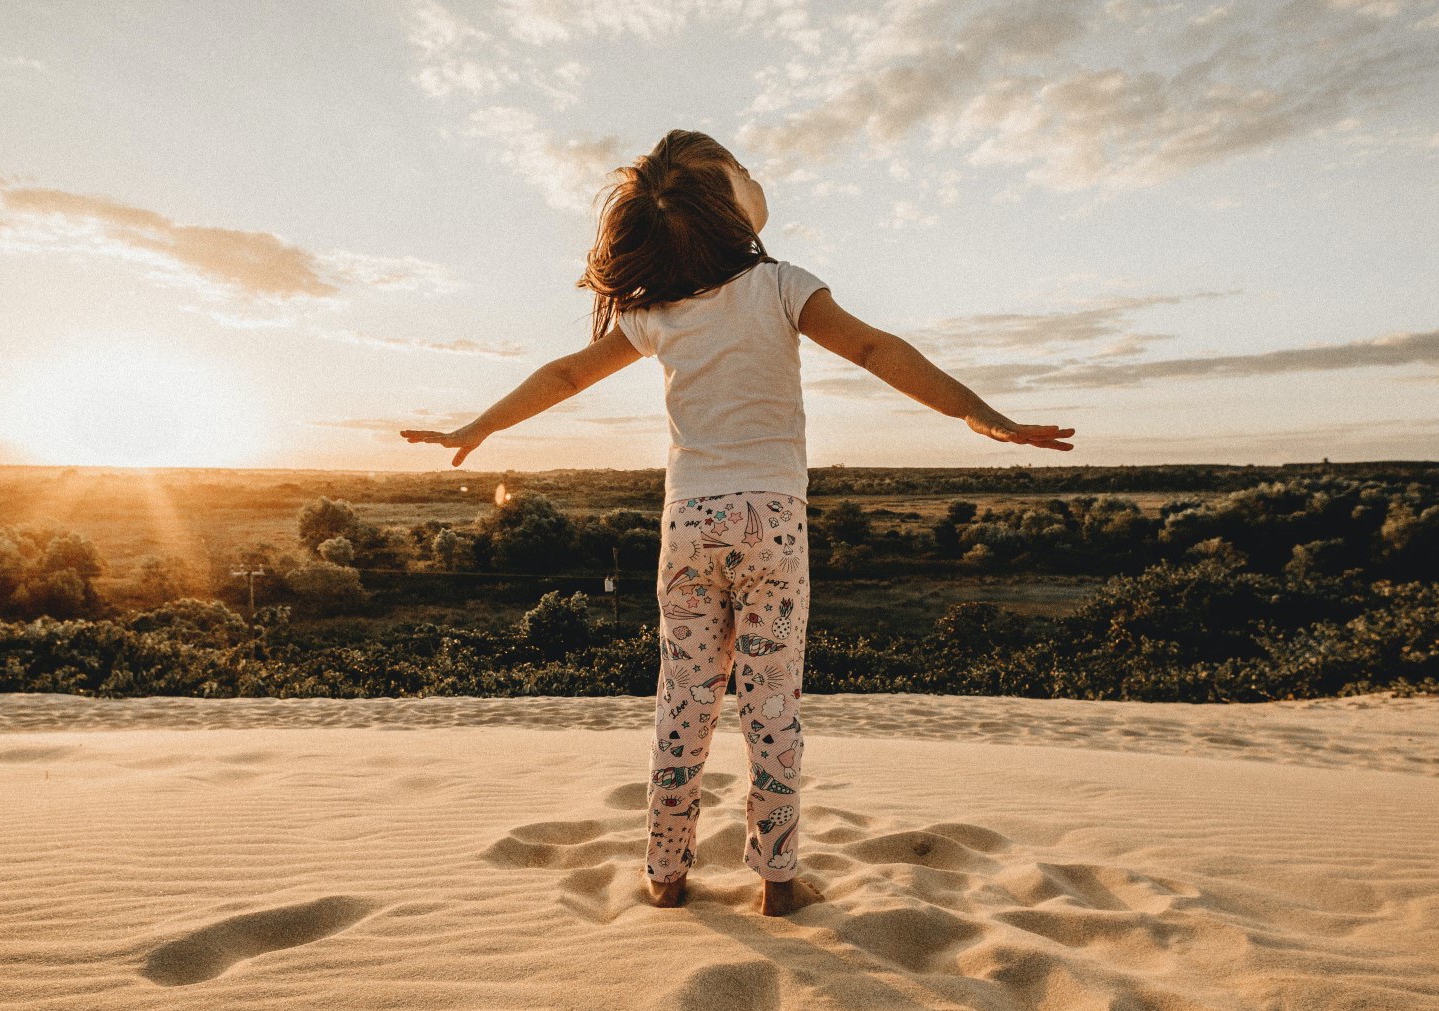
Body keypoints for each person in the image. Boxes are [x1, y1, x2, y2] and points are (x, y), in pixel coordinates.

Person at [401, 129, 1075, 917]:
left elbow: (565, 373)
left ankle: (665, 873)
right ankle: (779, 882)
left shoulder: (656, 312)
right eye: (744, 171)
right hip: (772, 522)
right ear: (728, 205)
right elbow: (873, 347)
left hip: (689, 521)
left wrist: (479, 427)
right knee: (772, 704)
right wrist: (979, 414)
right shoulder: (782, 286)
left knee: (683, 701)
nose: (758, 179)